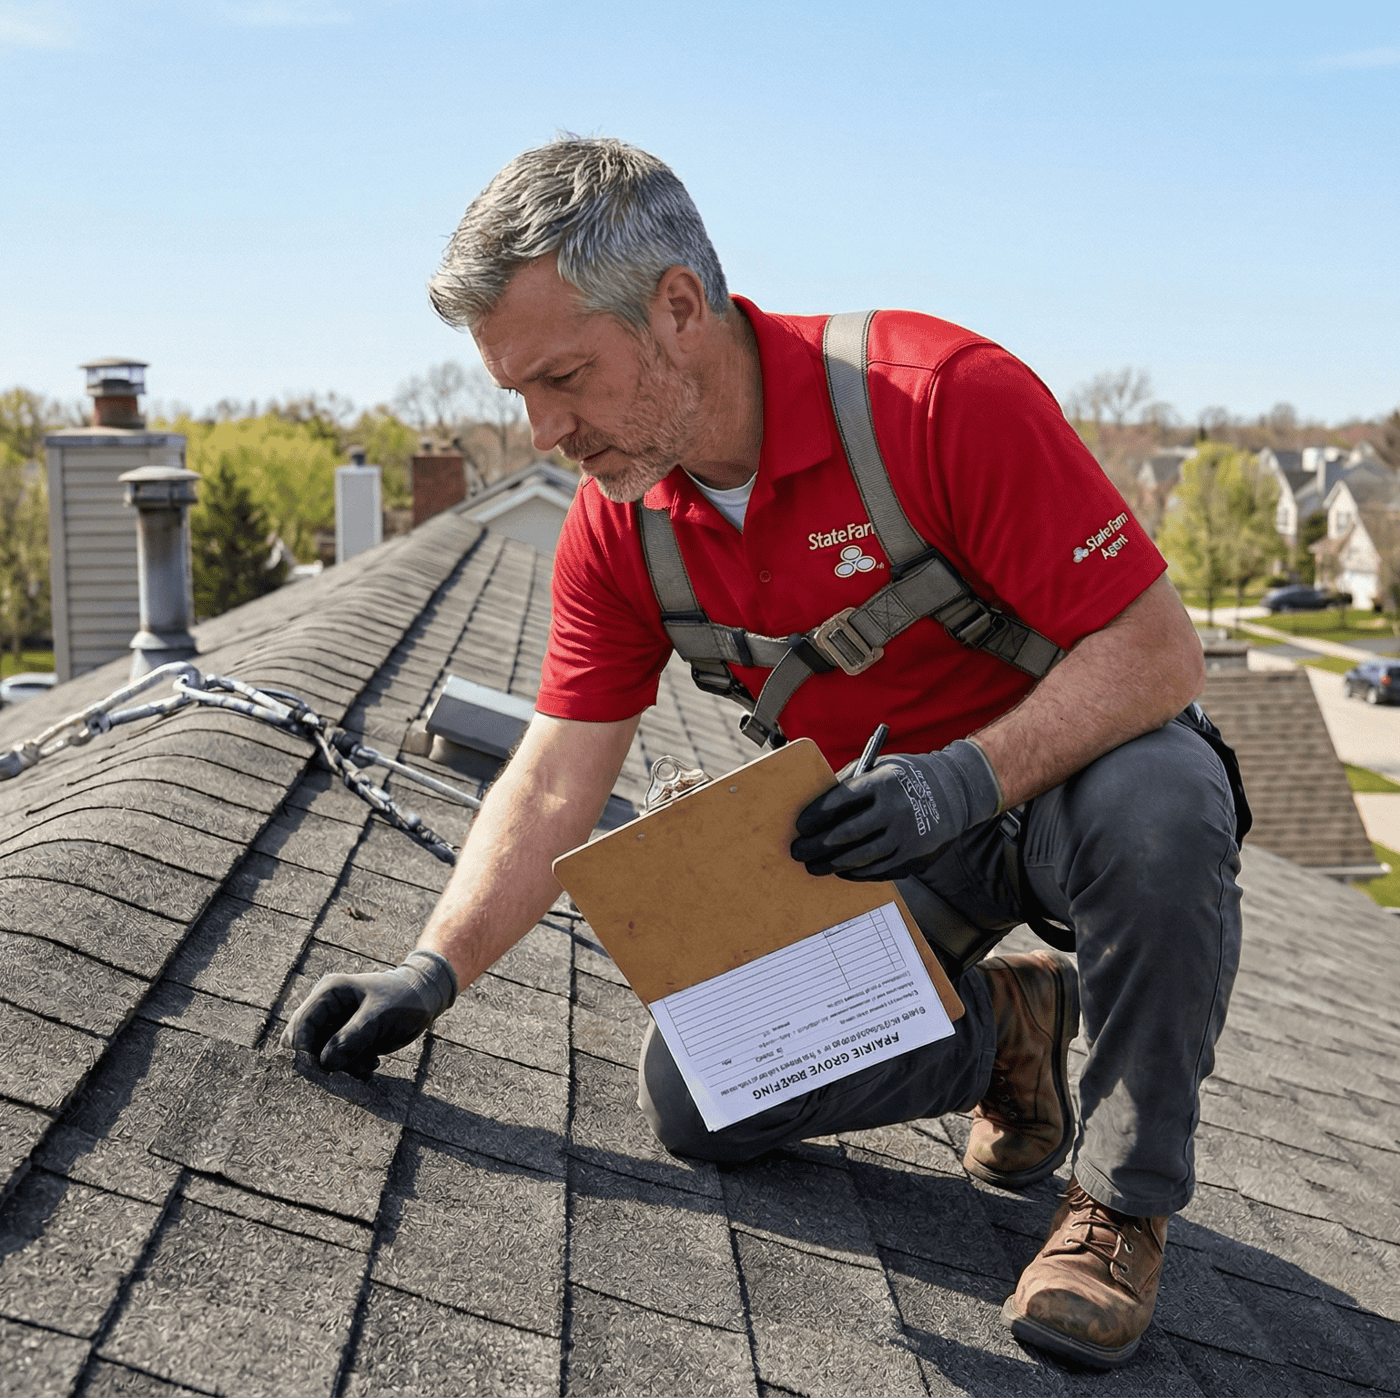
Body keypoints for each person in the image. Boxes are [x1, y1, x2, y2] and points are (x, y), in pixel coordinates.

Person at [284, 137, 1242, 1371]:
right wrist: (433, 969)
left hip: (1068, 788)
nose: (543, 430)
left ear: (678, 306)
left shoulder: (936, 398)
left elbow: (1156, 653)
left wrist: (962, 779)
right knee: (704, 1094)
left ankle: (1117, 1204)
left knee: (1163, 798)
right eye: (519, 391)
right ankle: (1006, 1030)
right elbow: (556, 775)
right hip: (896, 835)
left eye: (564, 377)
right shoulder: (622, 526)